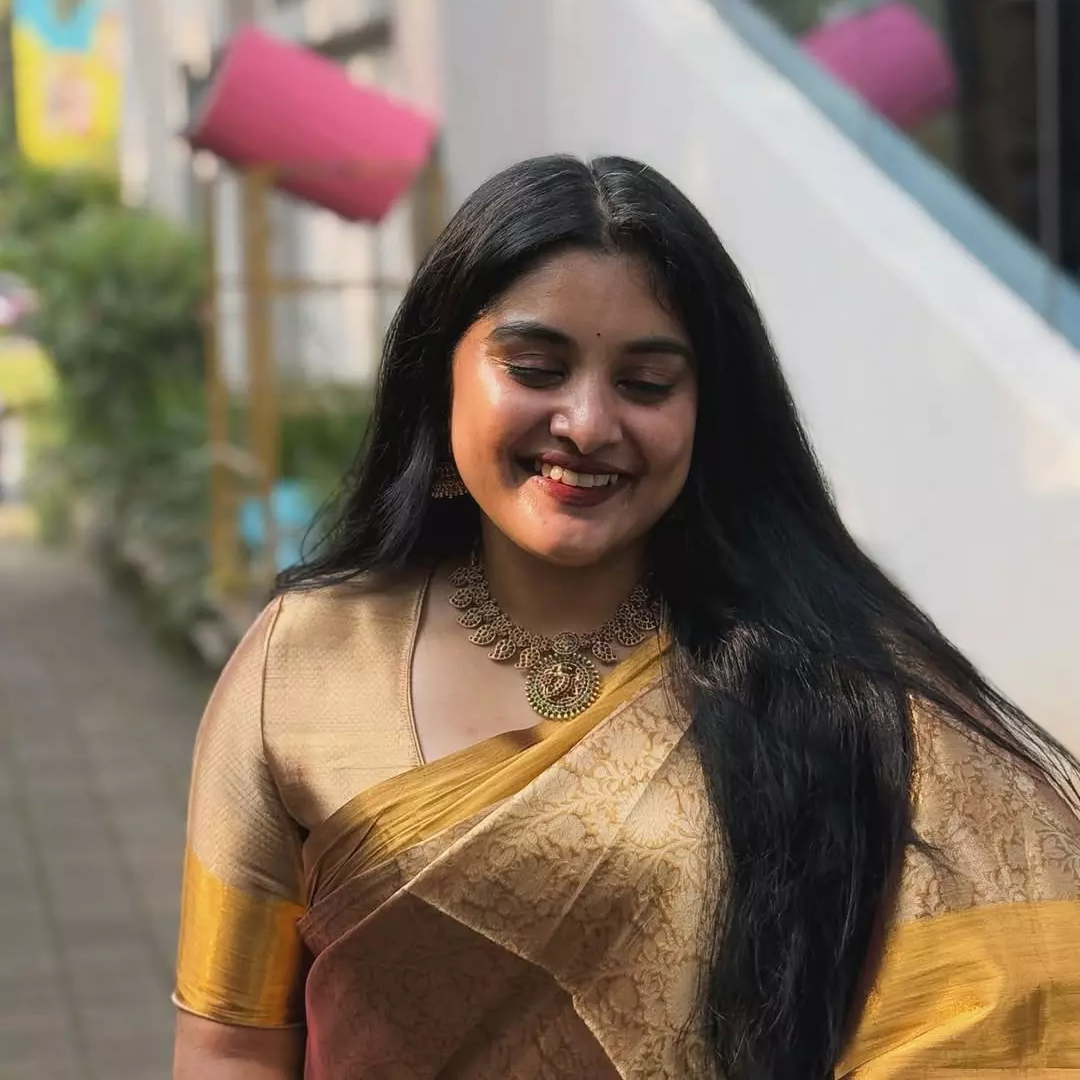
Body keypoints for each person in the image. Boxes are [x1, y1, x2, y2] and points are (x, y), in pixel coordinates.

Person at [173, 155, 1080, 1080]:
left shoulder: (835, 681)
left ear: (707, 415)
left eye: (646, 383)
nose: (587, 422)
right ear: (438, 377)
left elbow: (1013, 996)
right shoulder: (306, 663)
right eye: (536, 368)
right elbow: (229, 1042)